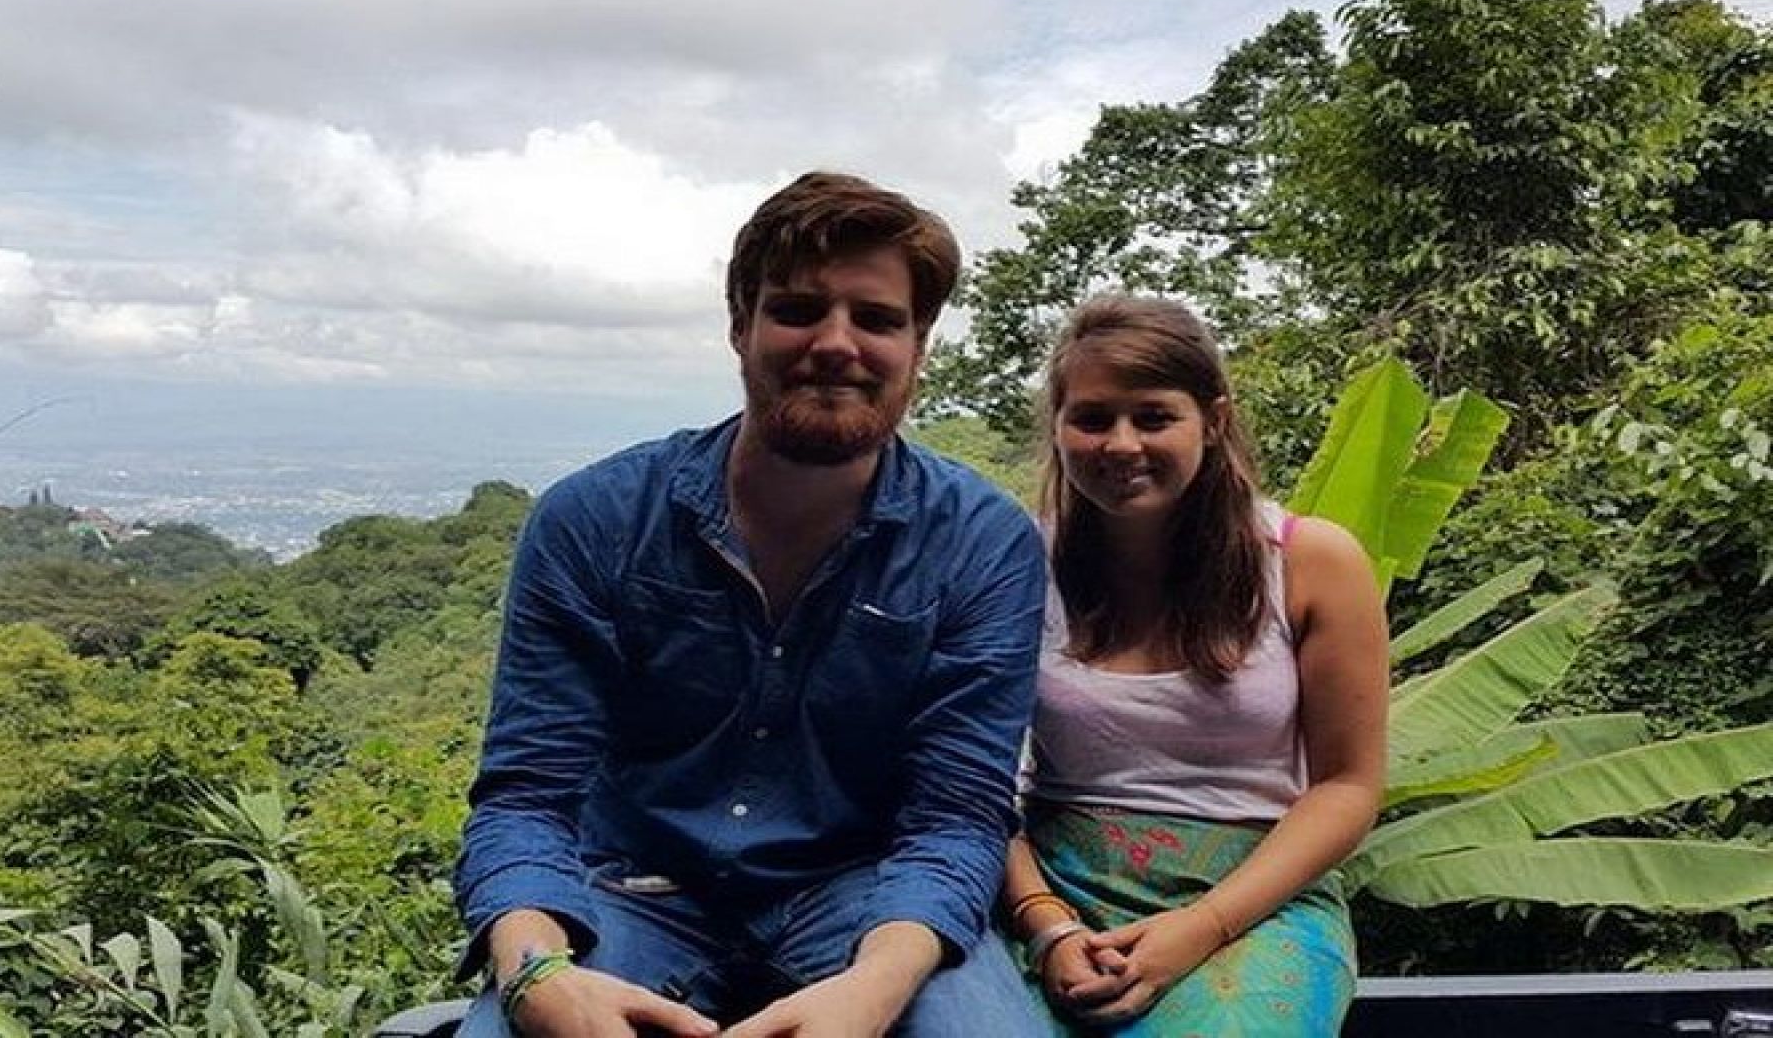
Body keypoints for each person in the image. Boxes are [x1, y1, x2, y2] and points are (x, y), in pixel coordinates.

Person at [452, 171, 1052, 1037]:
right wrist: (536, 968)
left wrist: (877, 986)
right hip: (626, 890)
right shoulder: (596, 519)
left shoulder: (979, 542)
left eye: (877, 319)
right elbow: (527, 792)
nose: (837, 343)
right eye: (799, 309)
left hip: (870, 892)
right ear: (741, 325)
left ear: (919, 347)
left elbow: (956, 813)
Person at [1002, 295, 1388, 1036]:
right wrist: (1045, 923)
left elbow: (1347, 785)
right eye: (1091, 418)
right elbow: (968, 775)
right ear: (1057, 427)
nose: (1120, 444)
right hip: (1054, 895)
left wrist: (1203, 925)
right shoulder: (1016, 565)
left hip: (1255, 899)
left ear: (1212, 420)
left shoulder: (1311, 562)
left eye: (1152, 416)